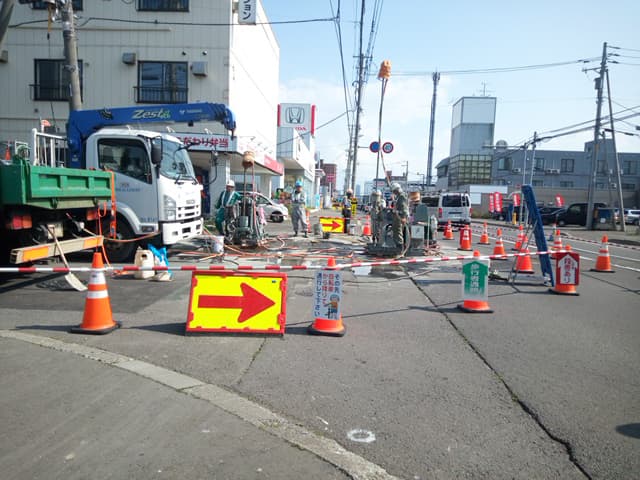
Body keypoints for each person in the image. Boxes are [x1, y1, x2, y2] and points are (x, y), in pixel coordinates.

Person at [391, 182, 408, 248]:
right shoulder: (398, 197)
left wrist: (403, 217)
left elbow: (404, 207)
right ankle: (398, 245)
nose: (394, 192)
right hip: (398, 216)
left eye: (394, 191)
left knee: (398, 230)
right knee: (396, 229)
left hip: (400, 216)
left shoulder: (402, 196)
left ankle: (400, 246)